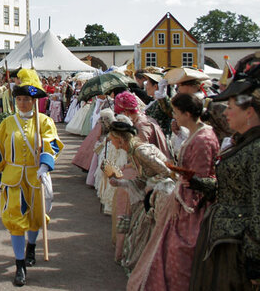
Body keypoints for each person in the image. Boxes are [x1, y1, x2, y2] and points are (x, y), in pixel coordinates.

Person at [127, 93, 219, 291]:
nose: (174, 116)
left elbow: (201, 181)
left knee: (178, 254)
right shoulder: (198, 133)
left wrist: (184, 202)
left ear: (187, 113)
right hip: (183, 198)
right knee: (166, 250)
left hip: (191, 206)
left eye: (176, 113)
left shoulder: (203, 139)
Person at [0, 68, 64, 287]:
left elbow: (53, 143)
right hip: (12, 178)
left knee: (36, 218)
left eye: (27, 99)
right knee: (15, 220)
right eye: (19, 99)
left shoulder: (45, 121)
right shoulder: (8, 123)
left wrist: (45, 165)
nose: (22, 103)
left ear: (34, 100)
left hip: (36, 177)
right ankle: (20, 265)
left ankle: (32, 246)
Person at [188, 65, 260, 290]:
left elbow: (258, 206)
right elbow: (232, 188)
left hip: (237, 249)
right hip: (225, 242)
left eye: (230, 107)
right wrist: (196, 182)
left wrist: (254, 259)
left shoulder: (257, 149)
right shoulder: (243, 142)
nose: (225, 112)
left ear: (249, 112)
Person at [107, 116, 174, 273]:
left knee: (147, 231)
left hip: (162, 193)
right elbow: (140, 180)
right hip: (152, 193)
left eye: (112, 139)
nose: (111, 142)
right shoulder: (132, 152)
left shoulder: (140, 151)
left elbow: (167, 171)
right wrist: (119, 183)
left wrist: (151, 185)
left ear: (119, 139)